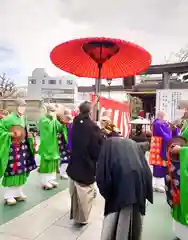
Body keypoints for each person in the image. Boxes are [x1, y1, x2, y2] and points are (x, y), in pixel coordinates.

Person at [96, 137, 153, 240]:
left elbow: (101, 175)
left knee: (116, 221)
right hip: (139, 182)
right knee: (135, 220)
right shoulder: (132, 144)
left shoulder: (107, 146)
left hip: (120, 185)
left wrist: (108, 194)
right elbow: (147, 172)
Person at [66, 100, 103, 225]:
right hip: (86, 164)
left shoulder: (76, 122)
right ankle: (82, 218)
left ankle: (76, 214)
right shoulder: (92, 126)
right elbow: (96, 147)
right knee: (85, 192)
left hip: (74, 161)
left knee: (75, 191)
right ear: (90, 111)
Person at [0, 99, 37, 205]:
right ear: (16, 107)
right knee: (13, 169)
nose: (23, 109)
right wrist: (10, 134)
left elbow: (25, 130)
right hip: (12, 149)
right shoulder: (8, 119)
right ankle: (9, 195)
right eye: (21, 106)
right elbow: (1, 130)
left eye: (24, 107)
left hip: (23, 148)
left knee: (22, 169)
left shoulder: (23, 118)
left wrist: (28, 135)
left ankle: (18, 192)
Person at [38, 104, 62, 190]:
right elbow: (49, 127)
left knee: (52, 163)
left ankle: (50, 179)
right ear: (47, 111)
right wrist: (54, 119)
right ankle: (44, 181)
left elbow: (60, 127)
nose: (53, 113)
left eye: (53, 111)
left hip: (53, 145)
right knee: (46, 164)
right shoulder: (43, 120)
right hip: (46, 146)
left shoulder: (53, 120)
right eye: (51, 111)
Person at [149, 111, 172, 192]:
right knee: (159, 164)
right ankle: (157, 184)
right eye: (163, 117)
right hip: (159, 146)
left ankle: (156, 184)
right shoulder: (158, 123)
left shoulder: (156, 123)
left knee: (158, 165)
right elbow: (166, 135)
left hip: (158, 145)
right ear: (161, 116)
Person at [57, 108, 73, 179]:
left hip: (68, 145)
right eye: (67, 117)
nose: (68, 119)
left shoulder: (70, 125)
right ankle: (62, 173)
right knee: (65, 159)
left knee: (67, 159)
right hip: (63, 144)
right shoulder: (62, 125)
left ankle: (63, 172)